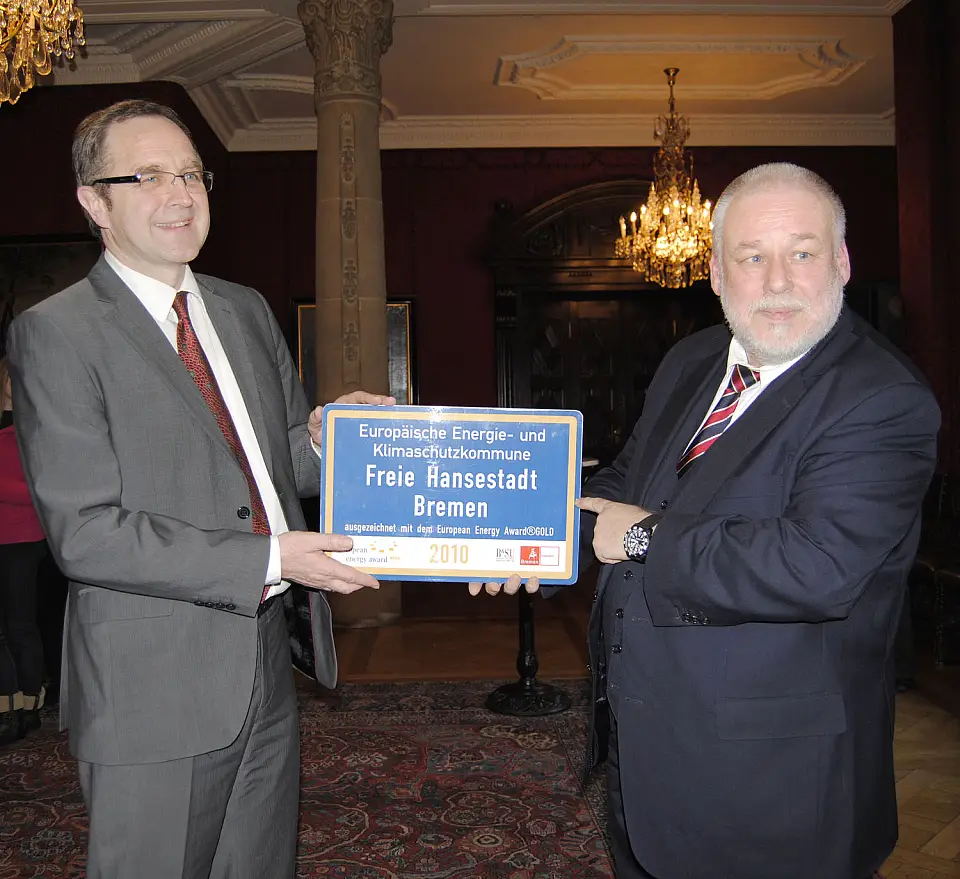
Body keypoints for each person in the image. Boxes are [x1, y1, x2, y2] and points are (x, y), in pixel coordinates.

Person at [491, 163, 940, 878]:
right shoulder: (693, 359)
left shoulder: (880, 397)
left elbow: (816, 567)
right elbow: (624, 481)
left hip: (777, 791)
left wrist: (643, 536)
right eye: (751, 256)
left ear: (843, 261)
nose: (779, 281)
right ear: (716, 271)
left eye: (802, 252)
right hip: (650, 761)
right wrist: (534, 545)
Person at [6, 99, 393, 879]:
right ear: (94, 200)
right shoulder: (57, 332)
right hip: (152, 685)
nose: (180, 194)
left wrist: (327, 440)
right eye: (147, 175)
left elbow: (279, 471)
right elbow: (86, 532)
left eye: (190, 173)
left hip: (265, 668)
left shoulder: (243, 310)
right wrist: (267, 558)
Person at [0, 355, 48, 745]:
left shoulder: (37, 427)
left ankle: (30, 703)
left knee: (20, 624)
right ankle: (6, 704)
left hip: (21, 540)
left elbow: (40, 488)